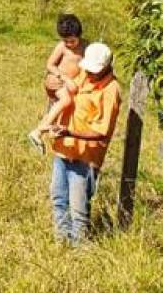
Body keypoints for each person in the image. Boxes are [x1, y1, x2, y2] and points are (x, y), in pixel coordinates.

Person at [46, 41, 121, 246]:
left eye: (95, 71)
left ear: (106, 67)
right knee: (59, 199)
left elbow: (102, 131)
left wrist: (70, 132)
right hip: (63, 150)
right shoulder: (82, 75)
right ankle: (62, 242)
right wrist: (51, 89)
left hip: (85, 157)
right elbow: (63, 93)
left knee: (78, 208)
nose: (90, 74)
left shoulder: (111, 91)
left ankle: (79, 249)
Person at [27, 13, 85, 153]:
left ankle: (38, 134)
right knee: (66, 101)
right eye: (66, 41)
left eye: (72, 41)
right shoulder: (61, 47)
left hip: (69, 85)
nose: (70, 44)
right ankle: (39, 130)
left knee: (57, 109)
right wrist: (65, 78)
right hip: (56, 81)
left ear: (79, 36)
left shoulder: (86, 46)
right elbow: (50, 65)